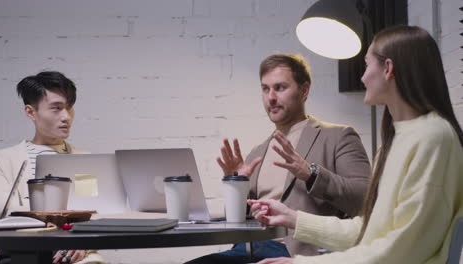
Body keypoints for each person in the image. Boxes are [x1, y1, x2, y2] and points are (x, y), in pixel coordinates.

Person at [249, 25, 463, 264]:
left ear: (388, 69)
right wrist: (293, 218)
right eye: (265, 89)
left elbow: (403, 249)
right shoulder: (395, 141)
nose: (362, 77)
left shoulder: (433, 136)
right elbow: (367, 232)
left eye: (366, 65)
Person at [185, 54, 370, 264]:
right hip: (246, 249)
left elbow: (364, 200)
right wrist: (236, 185)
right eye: (265, 89)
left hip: (292, 252)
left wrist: (311, 174)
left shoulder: (338, 137)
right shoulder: (258, 152)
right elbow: (236, 222)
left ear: (304, 91)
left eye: (280, 88)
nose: (271, 97)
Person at [0, 71, 104, 264]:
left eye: (69, 108)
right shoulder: (2, 160)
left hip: (74, 253)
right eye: (56, 108)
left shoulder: (84, 159)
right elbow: (3, 212)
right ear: (31, 112)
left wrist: (83, 243)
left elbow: (96, 212)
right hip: (19, 251)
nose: (66, 116)